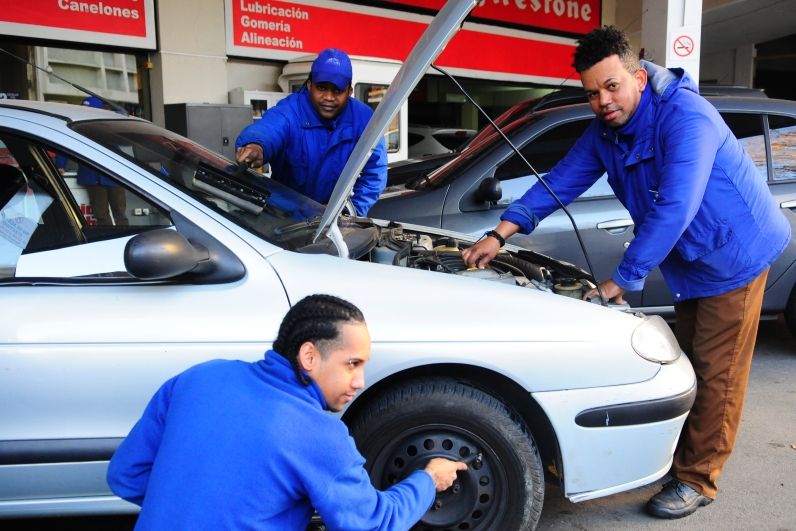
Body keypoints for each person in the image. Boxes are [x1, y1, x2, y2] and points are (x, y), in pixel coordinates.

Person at [463, 26, 790, 519]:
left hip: (733, 254)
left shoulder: (687, 118)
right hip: (689, 259)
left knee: (717, 374)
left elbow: (675, 207)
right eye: (593, 93)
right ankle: (678, 459)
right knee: (688, 364)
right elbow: (560, 182)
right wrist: (500, 234)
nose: (603, 101)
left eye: (612, 86)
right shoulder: (605, 133)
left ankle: (698, 479)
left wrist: (622, 279)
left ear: (638, 76)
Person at [107, 294, 465, 530]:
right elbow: (373, 523)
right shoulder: (318, 434)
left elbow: (125, 476)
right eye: (352, 364)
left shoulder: (198, 377)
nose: (360, 381)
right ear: (309, 356)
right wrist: (429, 479)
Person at [235, 48, 387, 216]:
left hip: (335, 224)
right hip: (284, 220)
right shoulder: (290, 111)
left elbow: (375, 173)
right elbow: (270, 128)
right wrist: (257, 145)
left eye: (337, 90)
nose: (329, 97)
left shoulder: (364, 120)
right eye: (321, 87)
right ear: (309, 85)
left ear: (349, 91)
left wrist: (344, 211)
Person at [56, 96, 128, 226]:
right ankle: (107, 240)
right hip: (92, 176)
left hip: (114, 175)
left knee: (120, 214)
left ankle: (123, 238)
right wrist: (60, 165)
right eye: (82, 108)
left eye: (87, 108)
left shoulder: (108, 126)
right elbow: (63, 145)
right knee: (101, 216)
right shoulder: (75, 127)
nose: (83, 111)